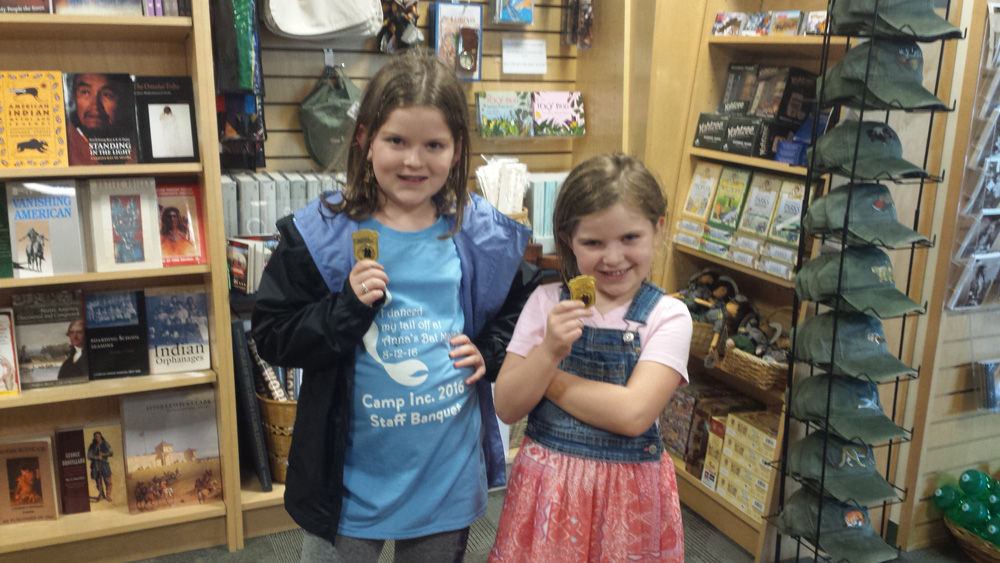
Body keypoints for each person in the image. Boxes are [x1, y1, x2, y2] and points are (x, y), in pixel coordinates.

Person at [250, 53, 541, 563]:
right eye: (397, 141)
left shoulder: (476, 230)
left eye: (434, 145)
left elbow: (530, 299)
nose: (414, 161)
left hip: (444, 479)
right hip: (349, 488)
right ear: (365, 140)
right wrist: (344, 310)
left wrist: (490, 350)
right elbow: (272, 333)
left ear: (457, 149)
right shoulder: (320, 236)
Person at [490, 153, 691, 562]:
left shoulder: (668, 316)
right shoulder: (545, 302)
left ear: (657, 229)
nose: (613, 258)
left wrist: (545, 375)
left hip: (627, 502)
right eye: (593, 243)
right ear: (569, 240)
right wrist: (549, 350)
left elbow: (632, 414)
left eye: (630, 238)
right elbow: (507, 405)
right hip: (547, 495)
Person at [66, 72, 137, 165]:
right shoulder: (65, 142)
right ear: (73, 96)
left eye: (107, 95)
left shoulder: (135, 153)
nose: (95, 106)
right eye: (85, 92)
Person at [87, 431, 114, 502]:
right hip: (95, 465)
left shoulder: (105, 444)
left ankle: (108, 495)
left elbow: (111, 453)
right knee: (98, 481)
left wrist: (103, 454)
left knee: (108, 481)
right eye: (95, 437)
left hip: (104, 464)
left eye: (98, 436)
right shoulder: (92, 445)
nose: (96, 438)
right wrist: (96, 457)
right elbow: (89, 456)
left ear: (100, 436)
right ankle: (101, 495)